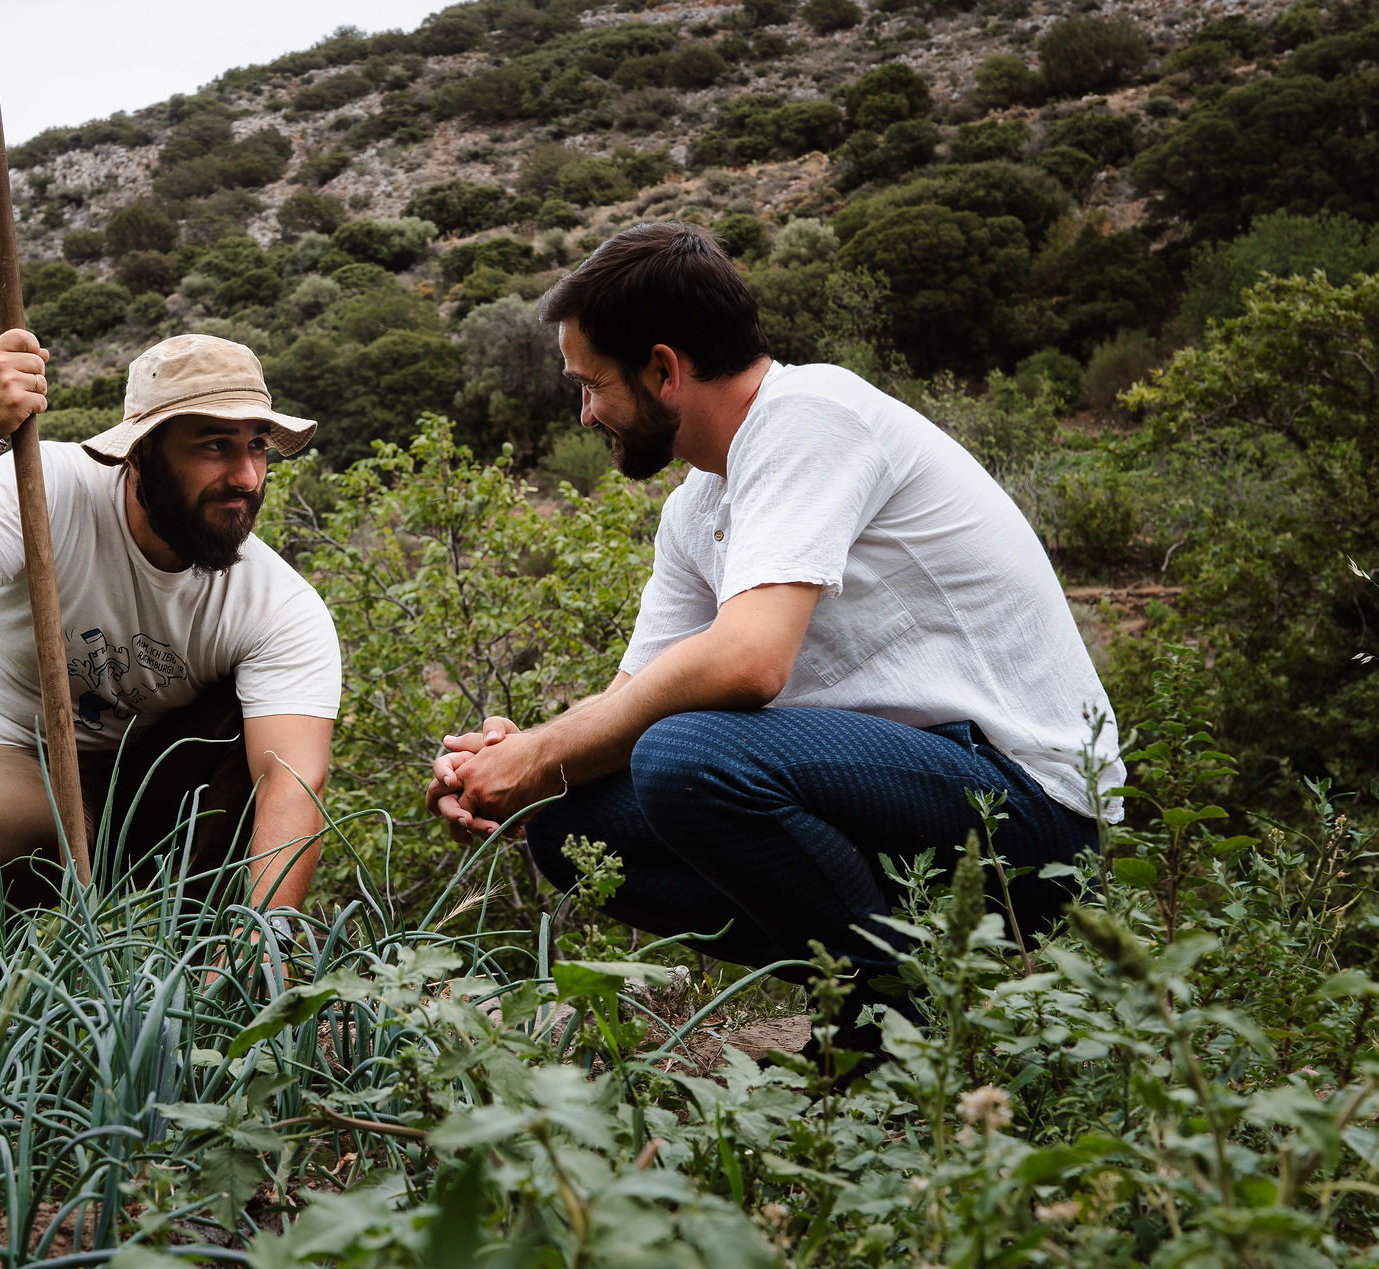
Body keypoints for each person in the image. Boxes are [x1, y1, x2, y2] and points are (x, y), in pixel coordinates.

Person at [426, 222, 1123, 1047]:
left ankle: (893, 1025)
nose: (585, 412)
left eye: (592, 383)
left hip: (1029, 814)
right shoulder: (697, 507)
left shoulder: (810, 416)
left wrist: (538, 754)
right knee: (566, 823)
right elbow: (628, 701)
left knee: (687, 755)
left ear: (663, 368)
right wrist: (521, 762)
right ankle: (899, 977)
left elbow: (749, 663)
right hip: (905, 811)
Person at [0, 330, 340, 942]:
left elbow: (292, 782)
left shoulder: (277, 605)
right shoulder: (45, 488)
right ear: (141, 452)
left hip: (136, 787)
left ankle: (206, 982)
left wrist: (266, 939)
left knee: (258, 728)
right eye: (214, 446)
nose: (247, 477)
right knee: (12, 822)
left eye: (257, 447)